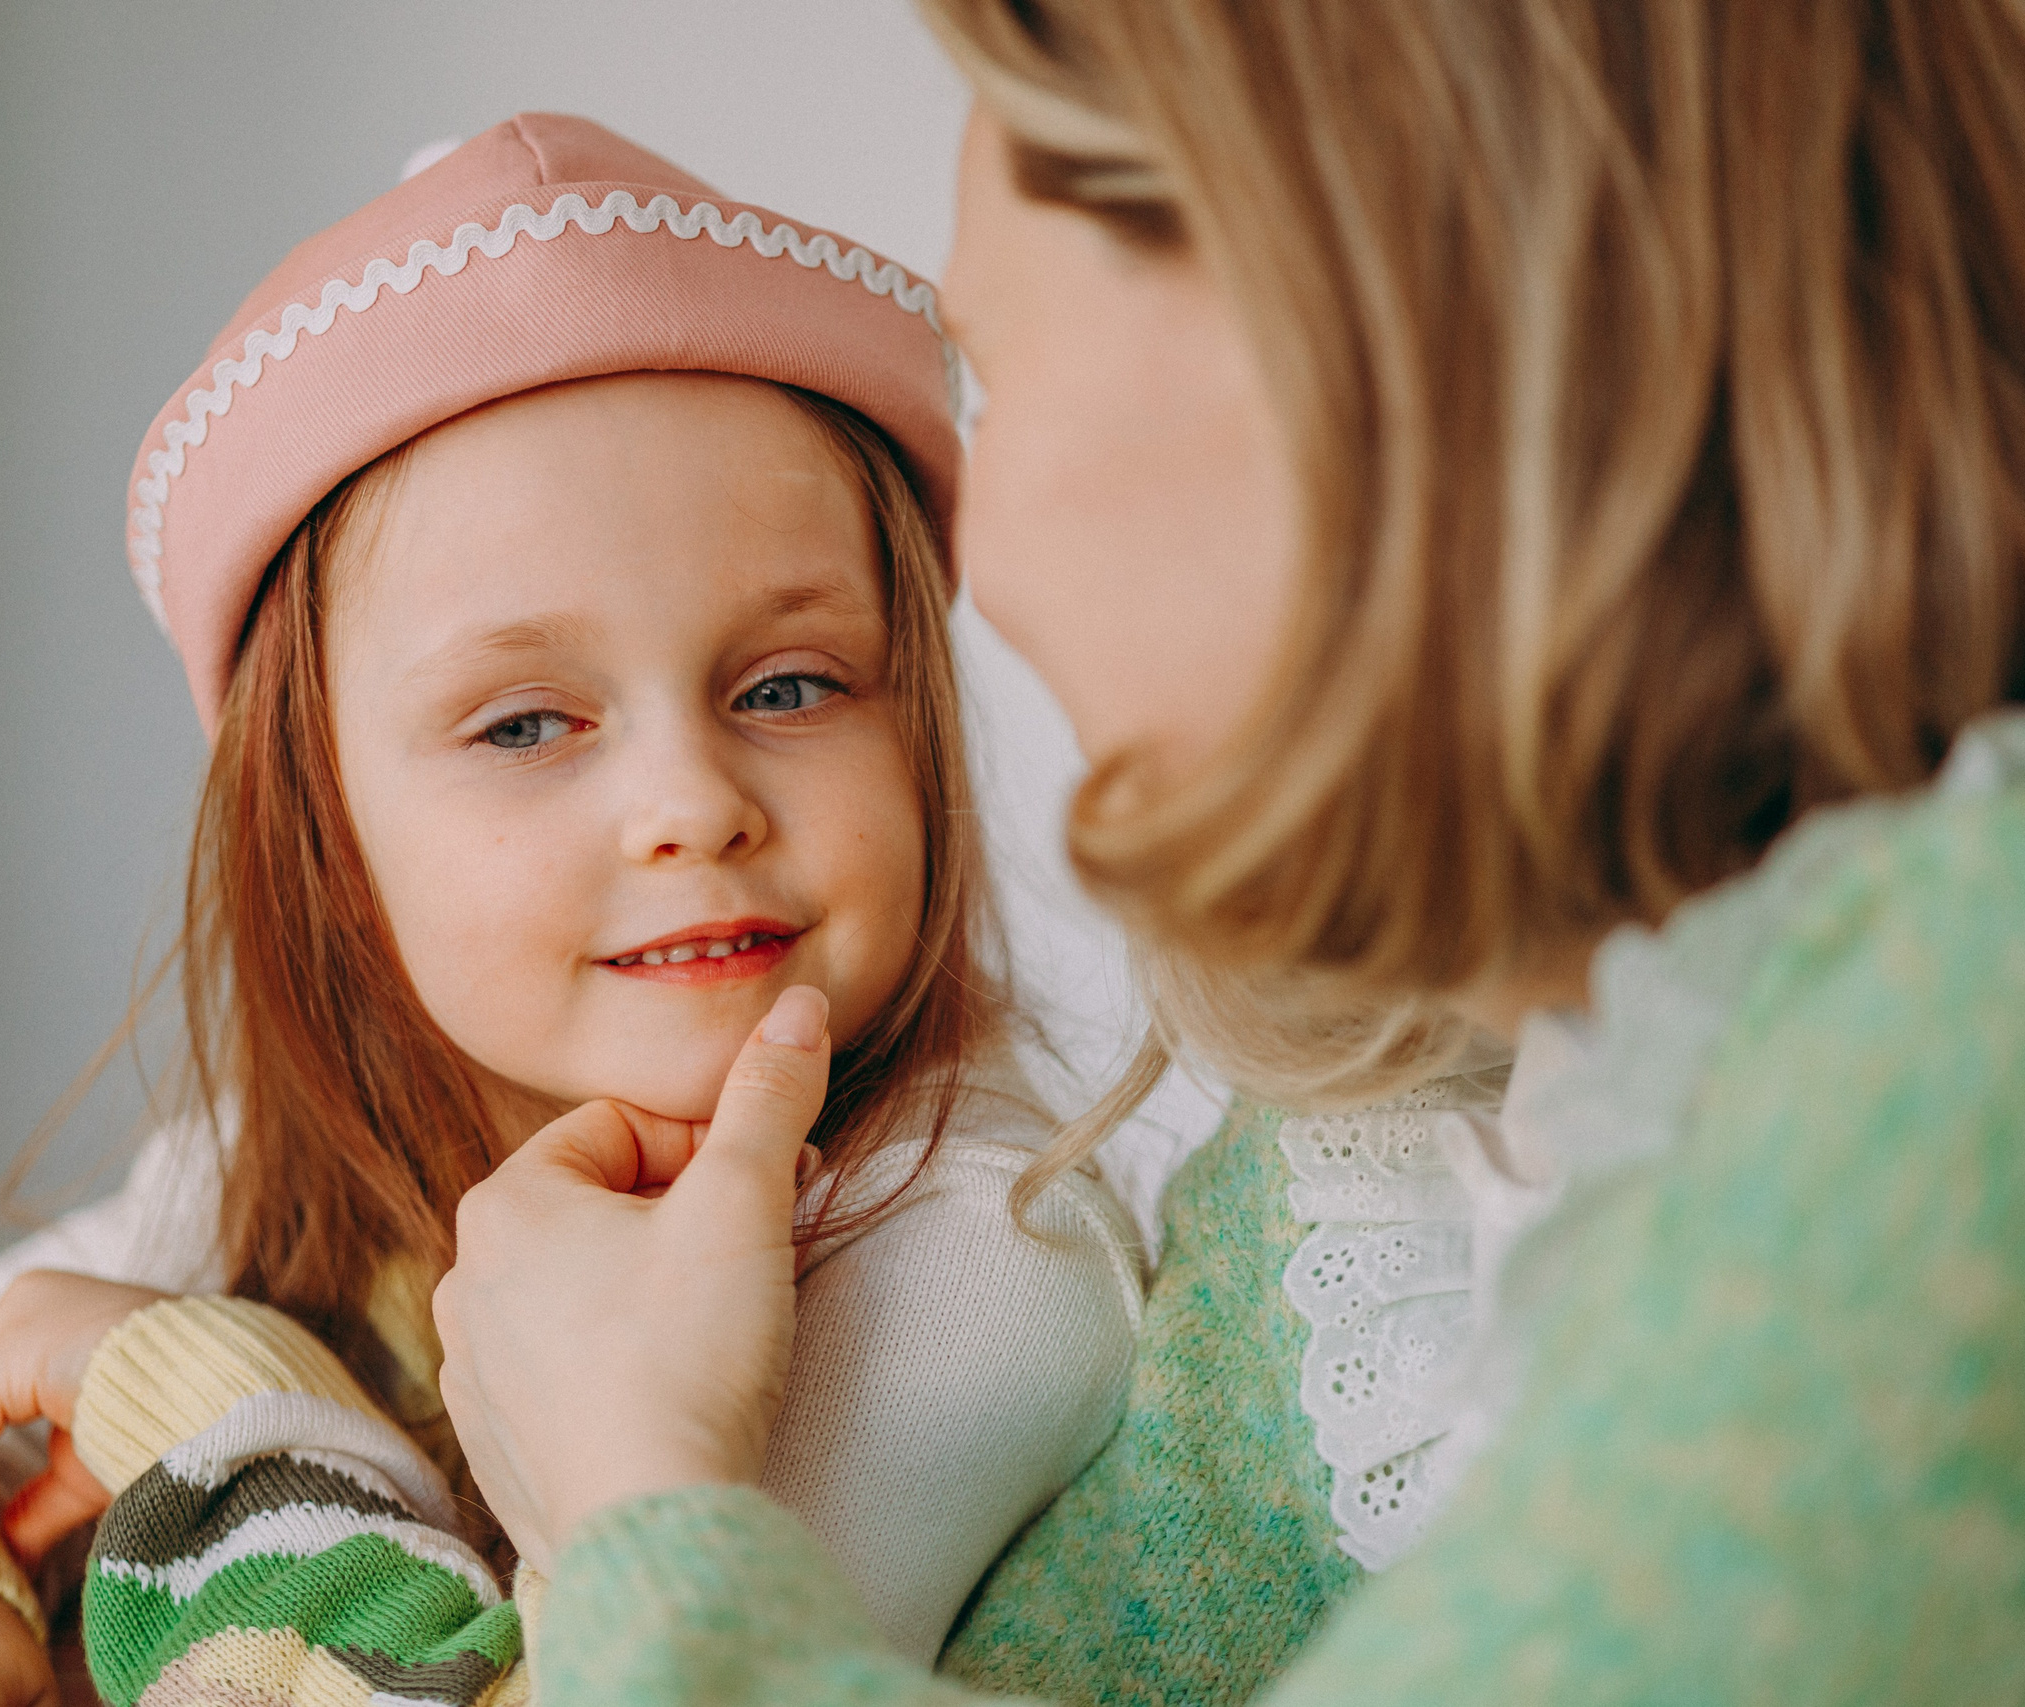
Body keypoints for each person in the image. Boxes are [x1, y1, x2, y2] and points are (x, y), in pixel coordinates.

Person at [177, 6, 2025, 1705]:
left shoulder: (1952, 1087)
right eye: (523, 725)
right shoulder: (1385, 1168)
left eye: (989, 385)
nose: (993, 575)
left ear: (1377, 343)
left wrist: (627, 1499)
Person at [0, 114, 1145, 1707]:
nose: (691, 801)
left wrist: (206, 1406)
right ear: (326, 837)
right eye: (527, 724)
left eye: (792, 684)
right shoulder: (319, 1149)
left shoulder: (977, 1251)